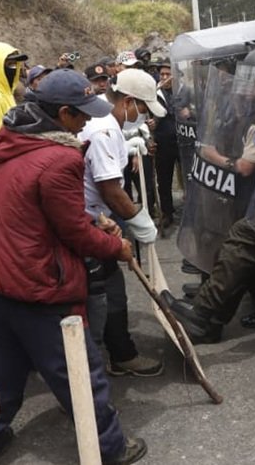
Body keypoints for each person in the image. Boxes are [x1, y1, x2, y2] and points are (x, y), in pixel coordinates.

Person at [0, 69, 146, 465]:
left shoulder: (10, 140)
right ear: (63, 113)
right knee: (78, 371)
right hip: (38, 283)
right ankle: (109, 447)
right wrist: (115, 246)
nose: (86, 122)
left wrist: (91, 221)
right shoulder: (59, 158)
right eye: (81, 114)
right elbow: (74, 233)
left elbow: (40, 212)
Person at [166, 46, 255, 343]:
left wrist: (212, 155)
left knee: (239, 242)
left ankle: (203, 315)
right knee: (237, 250)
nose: (245, 84)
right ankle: (211, 317)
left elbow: (246, 167)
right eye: (245, 76)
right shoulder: (254, 111)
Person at [78, 68, 165, 378]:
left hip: (95, 216)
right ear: (127, 101)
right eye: (142, 108)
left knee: (101, 287)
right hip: (91, 219)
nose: (144, 116)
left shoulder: (105, 121)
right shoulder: (104, 129)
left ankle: (107, 352)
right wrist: (138, 219)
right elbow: (110, 189)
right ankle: (118, 355)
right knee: (108, 289)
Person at [152, 56, 179, 228]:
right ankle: (167, 212)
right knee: (164, 180)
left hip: (182, 142)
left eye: (168, 74)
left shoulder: (183, 91)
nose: (164, 77)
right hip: (163, 143)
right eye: (162, 74)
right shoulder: (155, 93)